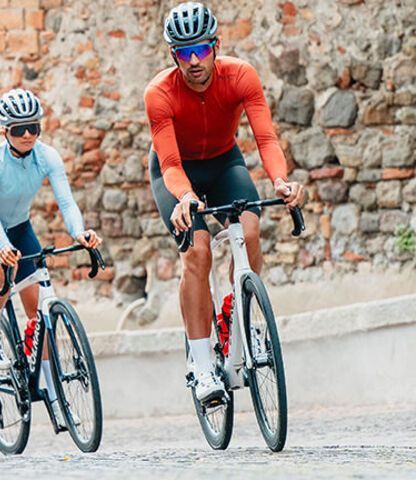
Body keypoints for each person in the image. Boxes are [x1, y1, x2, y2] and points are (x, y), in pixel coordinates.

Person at [145, 2, 305, 405]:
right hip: (176, 173)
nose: (194, 60)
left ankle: (243, 317)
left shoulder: (241, 76)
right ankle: (201, 365)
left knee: (249, 230)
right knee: (197, 254)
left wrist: (281, 181)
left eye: (201, 49)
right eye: (184, 52)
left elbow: (266, 139)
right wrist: (184, 198)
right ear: (172, 56)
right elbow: (168, 162)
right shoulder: (159, 93)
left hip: (223, 162)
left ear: (216, 46)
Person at [0, 88, 101, 414]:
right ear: (3, 131)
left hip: (20, 228)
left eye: (33, 128)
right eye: (18, 129)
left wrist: (80, 233)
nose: (27, 135)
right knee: (1, 266)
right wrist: (2, 247)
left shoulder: (46, 156)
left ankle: (52, 389)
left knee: (40, 311)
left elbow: (66, 201)